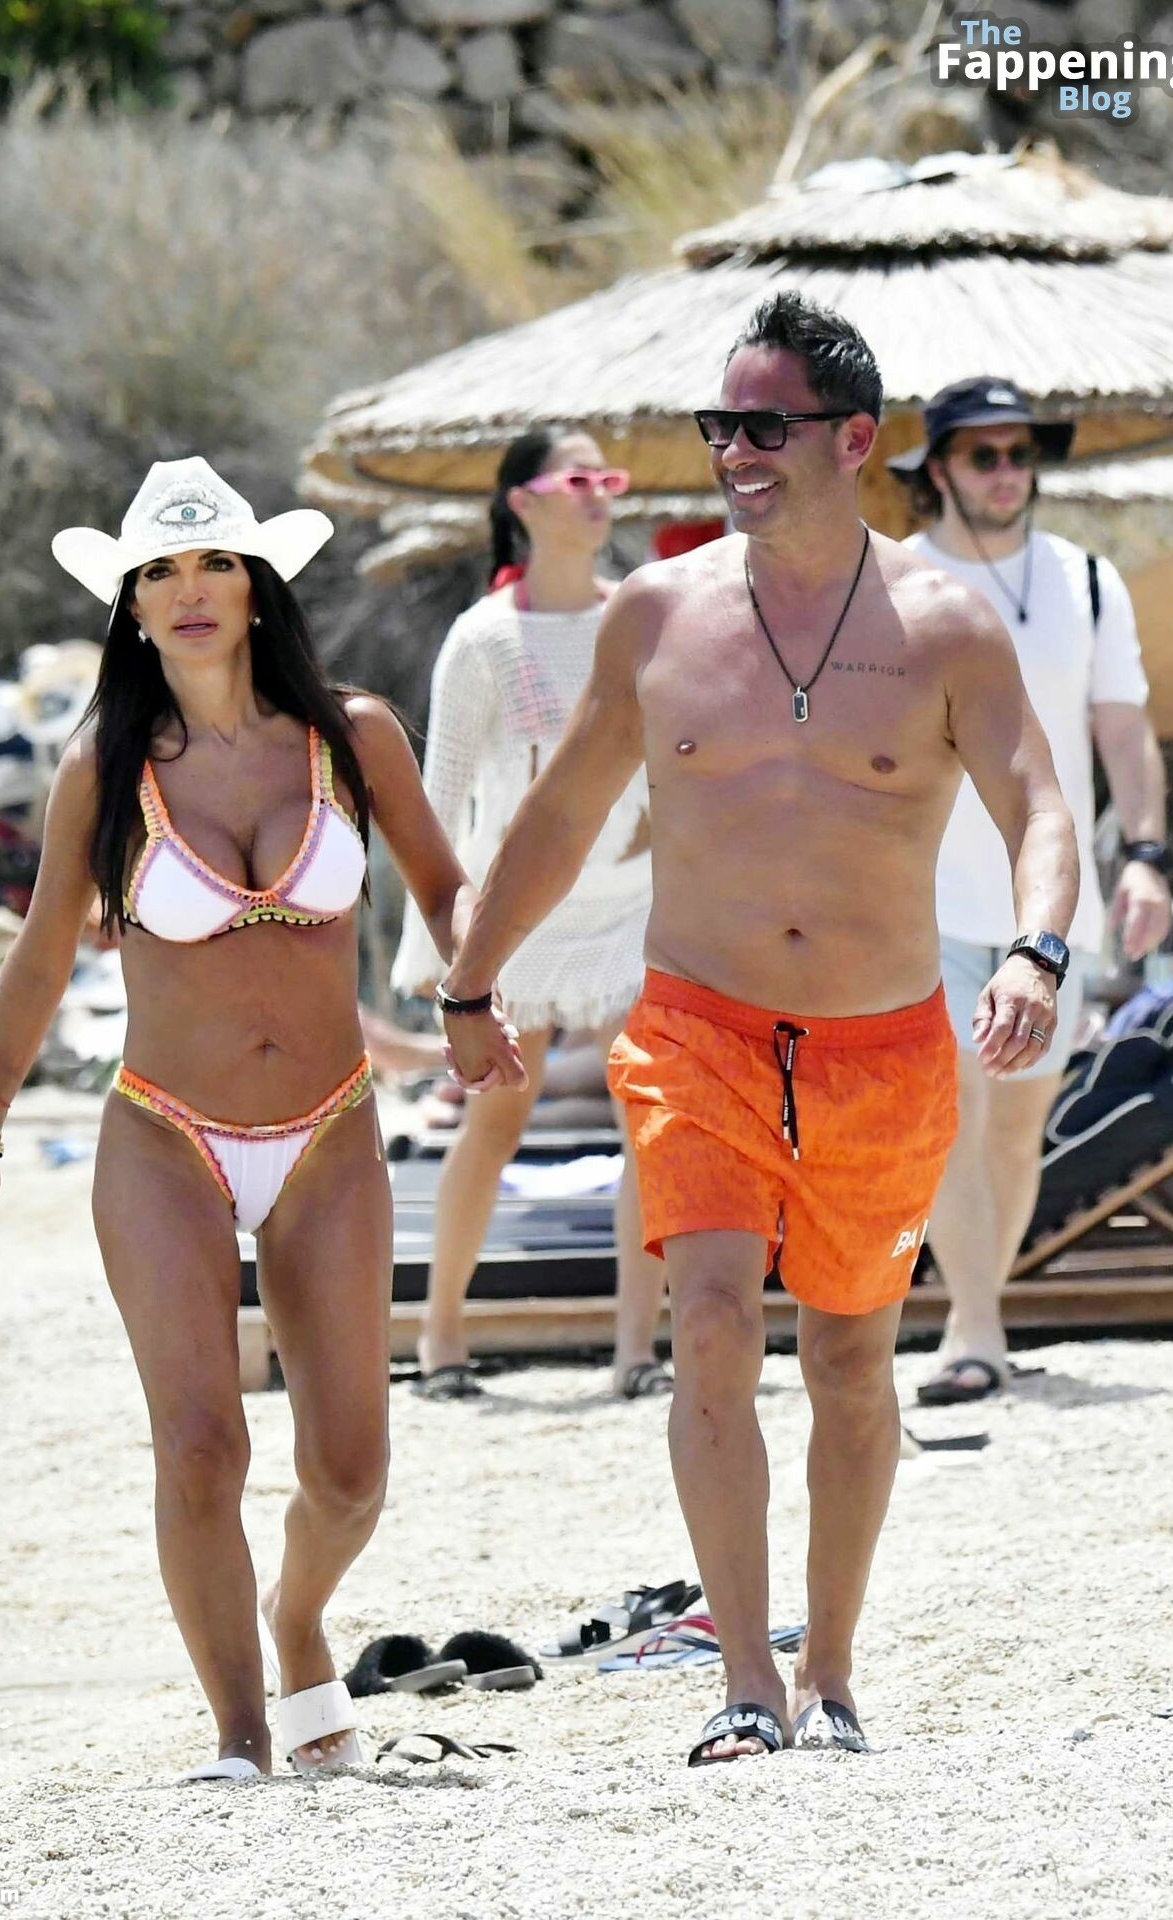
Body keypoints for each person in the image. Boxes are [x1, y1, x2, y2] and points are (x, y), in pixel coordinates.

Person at [438, 292, 1080, 1765]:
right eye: (719, 424)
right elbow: (560, 815)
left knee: (849, 1363)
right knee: (714, 1320)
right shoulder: (657, 615)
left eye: (765, 426)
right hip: (698, 1026)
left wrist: (1036, 951)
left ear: (853, 440)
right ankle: (744, 1682)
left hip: (880, 1044)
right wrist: (471, 982)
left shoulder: (943, 624)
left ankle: (829, 1672)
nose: (734, 450)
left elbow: (1039, 806)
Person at [0, 458, 488, 1782]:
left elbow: (444, 886)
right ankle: (241, 1739)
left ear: (255, 587)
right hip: (163, 1135)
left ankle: (297, 1624)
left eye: (216, 563)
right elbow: (41, 958)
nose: (190, 590)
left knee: (350, 1470)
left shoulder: (353, 736)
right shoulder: (104, 766)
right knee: (200, 1442)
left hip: (330, 1129)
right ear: (130, 603)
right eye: (163, 571)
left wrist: (467, 995)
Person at [889, 380, 1172, 1404]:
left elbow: (1122, 730)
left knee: (1016, 1127)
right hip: (918, 897)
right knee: (949, 1116)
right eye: (982, 454)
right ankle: (973, 1329)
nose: (1006, 472)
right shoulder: (893, 579)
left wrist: (1145, 854)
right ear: (937, 469)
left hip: (1046, 906)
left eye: (1020, 453)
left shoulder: (1087, 581)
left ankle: (978, 1316)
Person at [391, 428, 668, 1400]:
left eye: (608, 478)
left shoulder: (638, 617)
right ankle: (439, 1340)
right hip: (519, 911)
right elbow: (438, 797)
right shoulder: (482, 637)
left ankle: (637, 1352)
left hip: (634, 904)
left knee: (650, 1120)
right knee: (495, 1120)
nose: (598, 495)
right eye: (576, 478)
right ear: (523, 501)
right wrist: (441, 949)